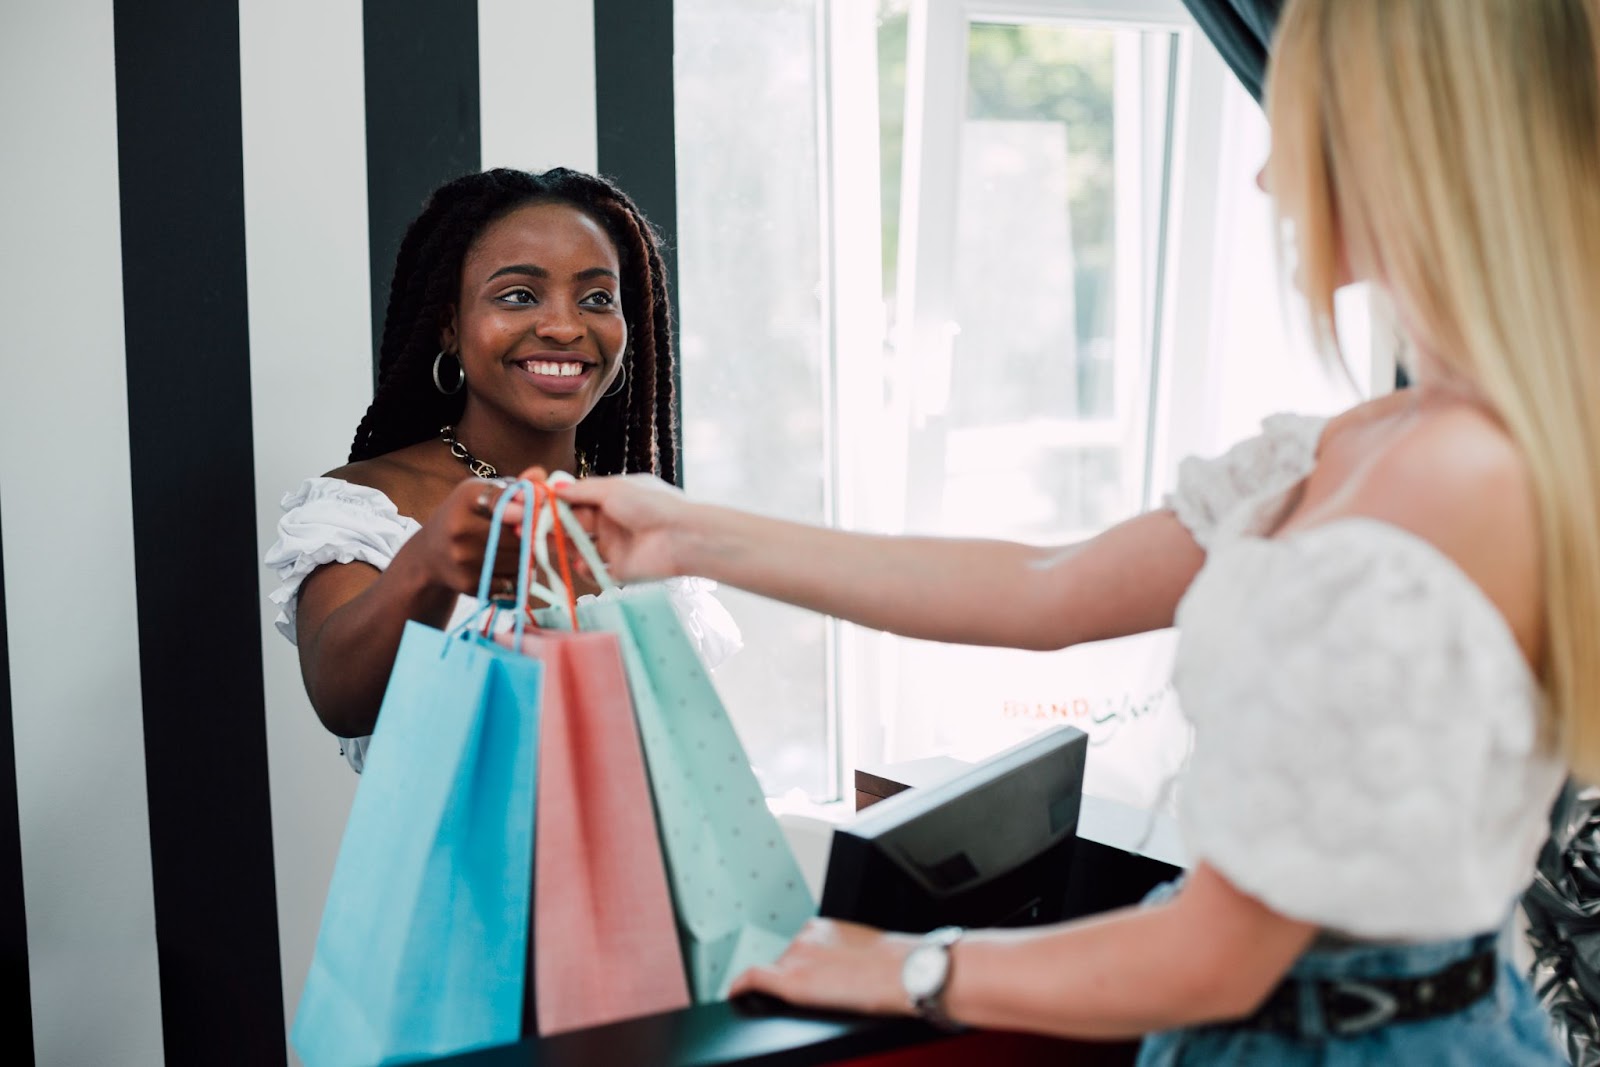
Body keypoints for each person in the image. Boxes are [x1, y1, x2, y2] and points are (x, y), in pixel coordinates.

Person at [557, 0, 1598, 1060]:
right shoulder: (1370, 439)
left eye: (1302, 126)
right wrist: (687, 533)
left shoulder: (1457, 478)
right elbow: (1043, 586)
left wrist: (908, 965)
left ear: (1414, 144)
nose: (1267, 177)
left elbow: (1219, 954)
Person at [264, 167, 737, 772]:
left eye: (597, 298)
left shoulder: (640, 507)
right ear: (450, 326)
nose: (566, 327)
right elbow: (342, 699)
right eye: (518, 295)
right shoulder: (366, 506)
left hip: (660, 865)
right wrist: (433, 564)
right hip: (464, 869)